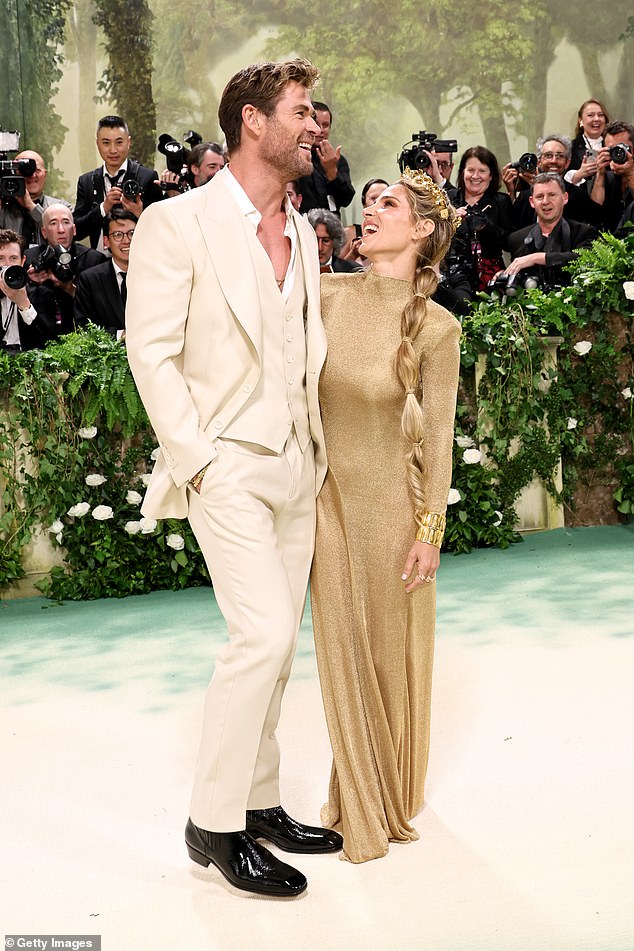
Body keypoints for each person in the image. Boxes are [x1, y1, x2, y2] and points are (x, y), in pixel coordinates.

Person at [125, 57, 342, 899]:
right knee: (261, 637)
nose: (314, 123)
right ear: (253, 121)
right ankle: (213, 824)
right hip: (226, 461)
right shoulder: (176, 223)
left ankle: (258, 802)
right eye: (300, 109)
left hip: (296, 460)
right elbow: (152, 352)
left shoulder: (308, 230)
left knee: (279, 648)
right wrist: (202, 461)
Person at [311, 170, 462, 863]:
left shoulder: (437, 326)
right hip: (325, 505)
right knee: (340, 649)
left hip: (394, 516)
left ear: (422, 228)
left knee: (385, 657)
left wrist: (430, 531)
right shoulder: (325, 295)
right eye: (367, 202)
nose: (369, 212)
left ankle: (383, 794)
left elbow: (437, 440)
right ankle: (355, 798)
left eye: (388, 204)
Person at [73, 115, 162, 249]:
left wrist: (139, 213)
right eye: (106, 143)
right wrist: (103, 208)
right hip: (100, 263)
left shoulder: (147, 177)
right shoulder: (86, 181)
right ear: (97, 144)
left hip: (139, 255)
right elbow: (77, 231)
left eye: (119, 142)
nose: (113, 150)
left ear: (128, 142)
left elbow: (161, 228)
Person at [25, 203, 106, 335]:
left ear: (74, 230)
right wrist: (31, 284)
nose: (61, 229)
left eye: (66, 222)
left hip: (82, 335)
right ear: (44, 232)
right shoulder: (29, 258)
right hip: (40, 336)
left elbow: (101, 308)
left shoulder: (94, 260)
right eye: (53, 223)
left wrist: (69, 288)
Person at [504, 173, 597, 288]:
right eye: (540, 197)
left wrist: (537, 258)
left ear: (565, 198)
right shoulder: (517, 239)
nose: (545, 201)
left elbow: (584, 259)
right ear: (532, 202)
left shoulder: (584, 232)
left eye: (552, 195)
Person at [448, 146, 512, 292]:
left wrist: (486, 226)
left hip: (491, 276)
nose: (475, 176)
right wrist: (450, 221)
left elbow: (509, 243)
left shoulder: (501, 201)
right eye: (470, 170)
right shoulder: (449, 198)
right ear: (462, 172)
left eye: (482, 171)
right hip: (454, 276)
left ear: (491, 175)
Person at [74, 209, 137, 338]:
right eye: (118, 235)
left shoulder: (155, 275)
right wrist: (120, 335)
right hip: (107, 355)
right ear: (106, 241)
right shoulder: (89, 280)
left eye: (132, 233)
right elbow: (84, 327)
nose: (126, 240)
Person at [0, 149, 71, 247]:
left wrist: (31, 206)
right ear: (14, 174)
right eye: (25, 171)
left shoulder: (61, 207)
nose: (32, 175)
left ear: (45, 174)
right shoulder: (4, 209)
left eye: (37, 170)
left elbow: (62, 233)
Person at [0, 229, 56, 352]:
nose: (7, 265)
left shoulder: (41, 294)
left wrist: (24, 305)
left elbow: (50, 344)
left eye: (13, 258)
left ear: (22, 261)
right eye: (1, 258)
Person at [295, 101, 355, 215]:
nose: (320, 130)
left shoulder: (338, 160)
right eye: (316, 123)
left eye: (326, 125)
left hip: (331, 227)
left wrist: (332, 172)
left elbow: (346, 199)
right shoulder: (296, 156)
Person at [588, 121, 634, 233]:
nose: (618, 153)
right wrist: (600, 173)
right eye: (612, 149)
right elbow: (594, 214)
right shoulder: (607, 177)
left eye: (623, 148)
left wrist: (630, 173)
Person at [307, 208, 363, 273]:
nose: (320, 248)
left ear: (335, 242)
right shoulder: (295, 270)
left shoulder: (352, 271)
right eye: (315, 240)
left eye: (326, 241)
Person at [567, 98, 610, 182]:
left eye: (600, 115)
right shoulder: (570, 148)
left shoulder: (612, 146)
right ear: (581, 120)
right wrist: (579, 174)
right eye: (590, 115)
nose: (596, 119)